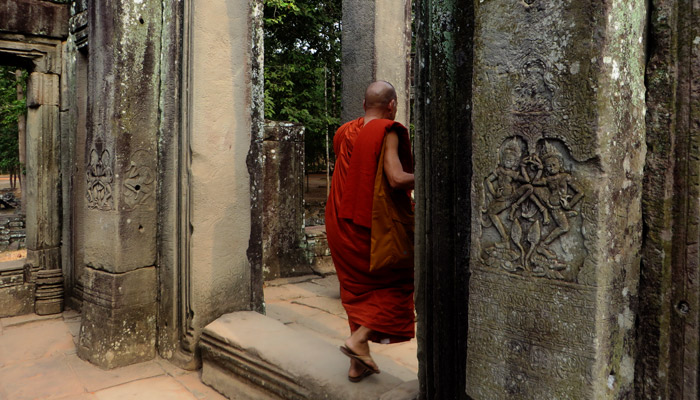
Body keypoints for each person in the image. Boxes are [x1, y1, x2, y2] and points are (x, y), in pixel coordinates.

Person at [325, 81, 415, 382]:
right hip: (367, 226)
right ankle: (358, 339)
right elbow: (396, 178)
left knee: (357, 291)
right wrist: (430, 175)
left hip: (339, 222)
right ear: (392, 106)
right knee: (400, 283)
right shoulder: (386, 130)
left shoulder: (345, 131)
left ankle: (358, 363)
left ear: (364, 105)